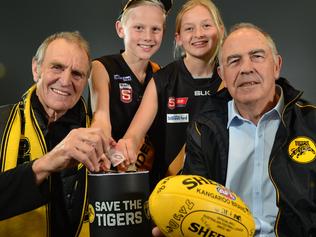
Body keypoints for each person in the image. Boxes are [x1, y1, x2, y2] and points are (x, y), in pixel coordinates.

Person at [183, 23, 316, 236]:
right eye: (234, 61)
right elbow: (193, 206)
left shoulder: (311, 124)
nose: (246, 68)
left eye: (257, 56)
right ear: (223, 75)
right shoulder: (203, 129)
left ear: (276, 66)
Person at [0, 31, 111, 237]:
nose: (66, 80)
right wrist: (45, 164)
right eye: (57, 67)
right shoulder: (2, 122)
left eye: (77, 73)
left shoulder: (101, 136)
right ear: (36, 68)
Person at [117, 0, 225, 188]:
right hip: (170, 197)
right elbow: (132, 137)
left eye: (206, 25)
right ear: (178, 38)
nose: (199, 34)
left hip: (221, 196)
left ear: (221, 30)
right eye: (189, 28)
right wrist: (123, 151)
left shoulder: (231, 80)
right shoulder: (162, 81)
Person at [89, 0, 171, 170]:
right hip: (110, 171)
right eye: (139, 27)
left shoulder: (160, 73)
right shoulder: (101, 67)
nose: (148, 37)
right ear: (120, 29)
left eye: (155, 29)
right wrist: (119, 159)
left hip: (153, 177)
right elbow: (101, 121)